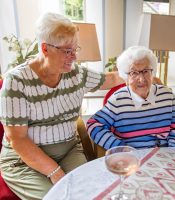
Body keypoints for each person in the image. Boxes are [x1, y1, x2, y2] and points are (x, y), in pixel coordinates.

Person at [0, 12, 124, 199]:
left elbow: (112, 78)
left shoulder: (76, 75)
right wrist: (55, 172)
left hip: (68, 150)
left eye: (75, 49)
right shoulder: (17, 81)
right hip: (24, 161)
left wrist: (142, 73)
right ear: (45, 48)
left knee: (92, 192)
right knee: (58, 196)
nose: (73, 57)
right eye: (67, 51)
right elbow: (18, 139)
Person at [87, 46, 175, 149]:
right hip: (132, 159)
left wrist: (172, 151)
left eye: (146, 71)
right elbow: (93, 125)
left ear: (153, 72)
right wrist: (120, 148)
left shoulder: (167, 95)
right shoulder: (118, 100)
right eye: (134, 73)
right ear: (126, 78)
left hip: (163, 157)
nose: (141, 79)